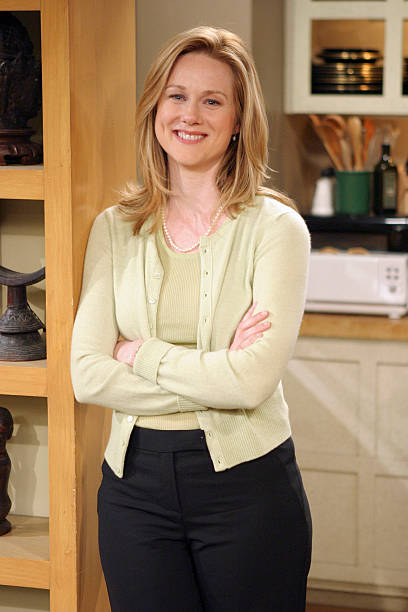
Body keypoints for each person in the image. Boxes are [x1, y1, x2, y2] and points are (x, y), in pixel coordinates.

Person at [71, 25, 312, 612]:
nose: (190, 115)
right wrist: (217, 371)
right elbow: (88, 376)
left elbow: (252, 383)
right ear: (156, 107)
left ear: (238, 119)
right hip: (133, 491)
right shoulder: (113, 228)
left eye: (212, 100)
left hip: (247, 488)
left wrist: (139, 354)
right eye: (176, 95)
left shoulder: (277, 229)